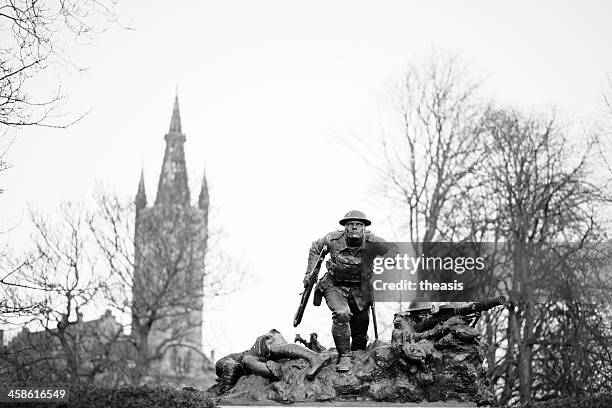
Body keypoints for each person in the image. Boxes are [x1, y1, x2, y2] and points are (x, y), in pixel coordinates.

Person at [303, 210, 397, 372]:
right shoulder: (332, 239)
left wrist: (384, 261)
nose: (354, 227)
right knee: (341, 313)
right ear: (345, 227)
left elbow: (393, 250)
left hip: (361, 289)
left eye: (358, 225)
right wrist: (310, 272)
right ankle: (344, 357)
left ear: (364, 228)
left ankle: (356, 359)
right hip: (334, 285)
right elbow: (315, 248)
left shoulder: (373, 241)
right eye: (350, 224)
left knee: (360, 334)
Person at [215, 329, 332, 391]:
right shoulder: (240, 364)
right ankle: (273, 371)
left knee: (250, 358)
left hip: (264, 344)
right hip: (268, 357)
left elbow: (230, 367)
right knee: (252, 359)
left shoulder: (223, 362)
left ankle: (315, 357)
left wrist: (224, 388)